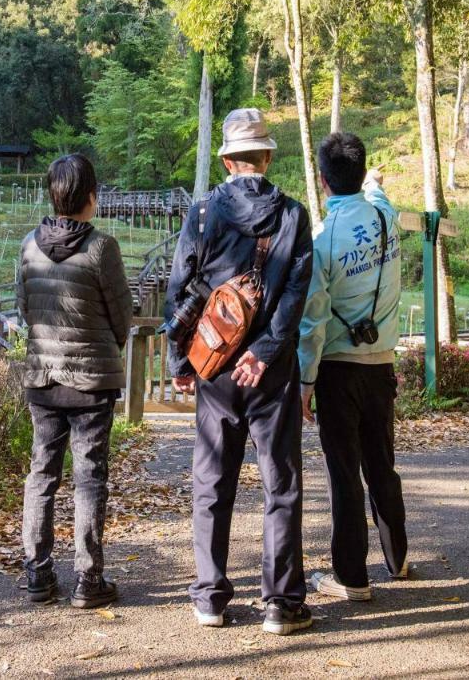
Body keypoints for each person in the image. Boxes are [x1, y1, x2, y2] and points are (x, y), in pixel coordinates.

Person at [165, 108, 314, 636]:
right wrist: (266, 351)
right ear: (268, 157)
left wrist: (182, 360)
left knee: (212, 479)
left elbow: (180, 289)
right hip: (269, 374)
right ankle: (281, 603)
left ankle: (210, 597)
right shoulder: (294, 215)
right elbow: (295, 295)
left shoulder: (203, 212)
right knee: (281, 483)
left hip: (215, 367)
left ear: (228, 159)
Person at [16, 153, 133, 609]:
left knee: (41, 474)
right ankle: (89, 579)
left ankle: (38, 575)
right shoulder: (102, 248)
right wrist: (107, 345)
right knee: (89, 478)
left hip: (42, 377)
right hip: (91, 382)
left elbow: (25, 306)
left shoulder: (29, 244)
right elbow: (122, 315)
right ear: (90, 197)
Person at [297, 132, 408, 602]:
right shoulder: (386, 217)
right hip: (381, 364)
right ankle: (397, 557)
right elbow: (379, 192)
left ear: (322, 182)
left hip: (338, 370)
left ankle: (351, 577)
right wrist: (377, 181)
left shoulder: (322, 239)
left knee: (343, 471)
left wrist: (305, 381)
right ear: (363, 175)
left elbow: (313, 318)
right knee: (382, 461)